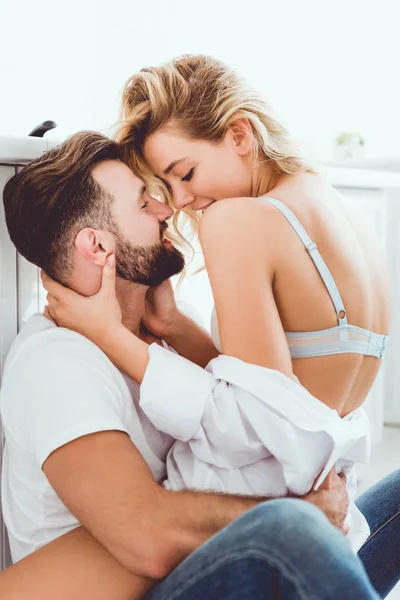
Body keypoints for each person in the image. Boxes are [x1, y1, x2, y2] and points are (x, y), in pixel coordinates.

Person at [0, 131, 389, 600]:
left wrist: (173, 324)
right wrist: (304, 512)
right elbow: (148, 536)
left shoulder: (152, 342)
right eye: (146, 205)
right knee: (291, 527)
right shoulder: (55, 361)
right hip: (146, 587)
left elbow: (256, 413)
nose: (170, 210)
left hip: (211, 568)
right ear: (98, 247)